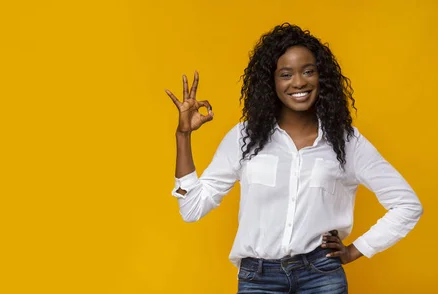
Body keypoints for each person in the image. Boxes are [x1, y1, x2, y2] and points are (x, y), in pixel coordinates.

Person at [165, 23, 423, 293]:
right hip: (258, 279)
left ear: (322, 77)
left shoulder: (347, 141)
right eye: (286, 74)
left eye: (308, 71)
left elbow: (407, 205)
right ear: (271, 82)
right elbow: (192, 209)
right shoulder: (245, 137)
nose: (299, 82)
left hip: (321, 276)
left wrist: (355, 251)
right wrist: (183, 136)